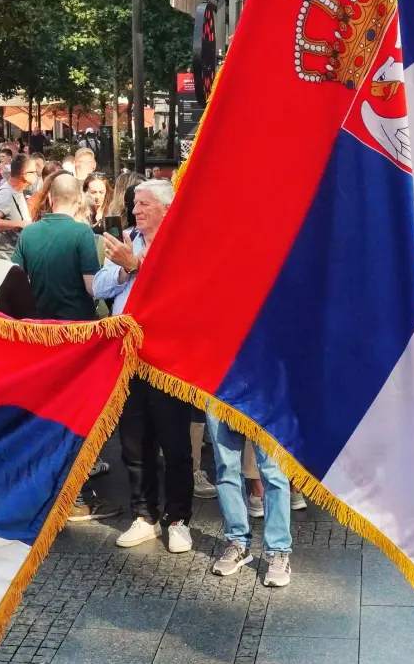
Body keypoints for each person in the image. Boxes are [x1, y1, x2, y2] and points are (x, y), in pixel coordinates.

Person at [93, 180, 197, 552]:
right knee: (134, 442)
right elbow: (100, 287)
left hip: (168, 359)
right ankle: (143, 514)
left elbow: (180, 289)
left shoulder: (183, 242)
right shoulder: (126, 240)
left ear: (166, 208)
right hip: (128, 358)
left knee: (175, 444)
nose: (136, 210)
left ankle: (179, 519)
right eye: (135, 203)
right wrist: (123, 270)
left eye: (144, 204)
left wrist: (136, 265)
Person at [207, 408, 294, 587]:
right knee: (226, 469)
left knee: (273, 473)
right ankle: (237, 541)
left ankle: (279, 549)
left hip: (263, 389)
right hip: (218, 388)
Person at [14, 174, 99, 322]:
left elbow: (15, 279)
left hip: (41, 323)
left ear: (50, 198)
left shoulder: (28, 232)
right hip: (78, 324)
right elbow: (92, 286)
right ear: (80, 200)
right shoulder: (83, 232)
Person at [0, 154, 40, 257]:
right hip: (8, 257)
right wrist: (20, 224)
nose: (36, 175)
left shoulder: (18, 191)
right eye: (34, 172)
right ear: (24, 174)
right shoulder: (6, 194)